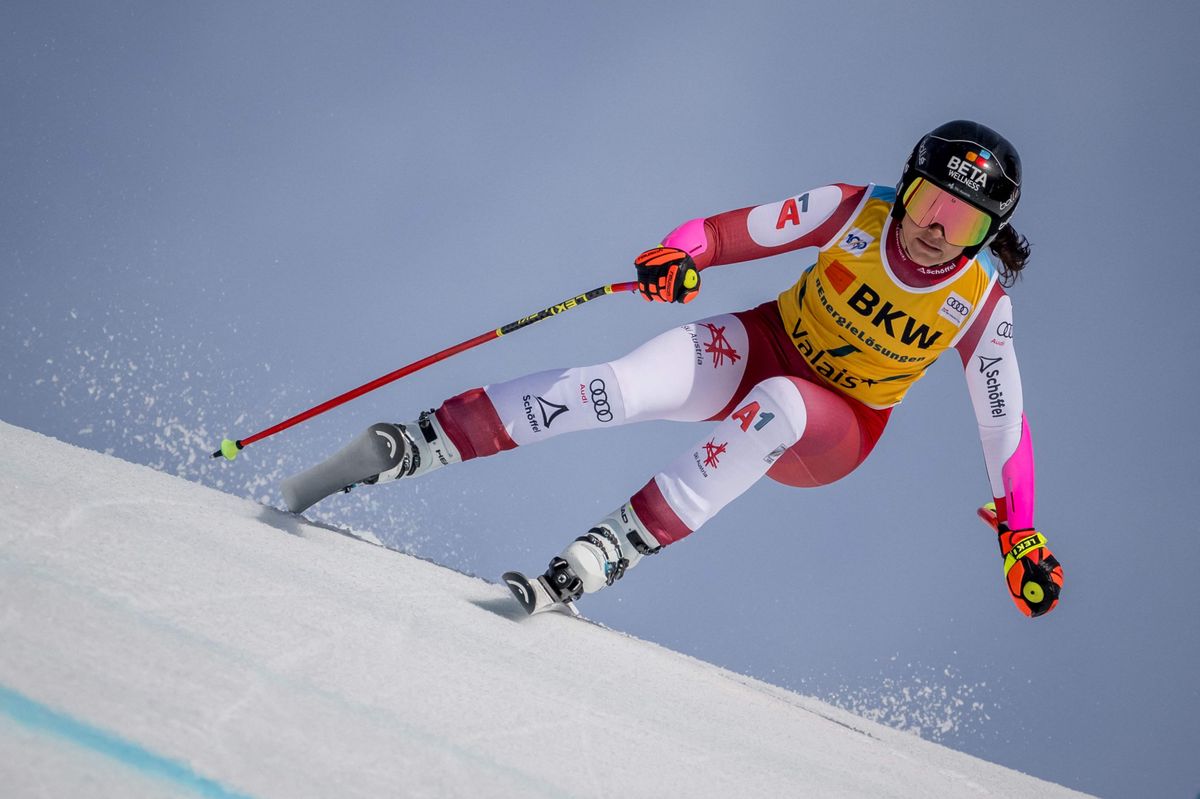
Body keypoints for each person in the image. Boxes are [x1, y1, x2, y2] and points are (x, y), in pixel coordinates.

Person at [282, 119, 1063, 619]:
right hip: (764, 342)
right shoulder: (852, 208)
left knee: (783, 402)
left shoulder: (979, 304)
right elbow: (720, 233)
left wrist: (1019, 531)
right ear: (907, 186)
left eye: (962, 219)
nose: (934, 228)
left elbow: (1004, 421)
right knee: (617, 386)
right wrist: (677, 256)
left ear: (987, 233)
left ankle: (612, 548)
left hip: (833, 429)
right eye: (928, 202)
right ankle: (423, 441)